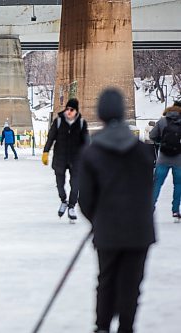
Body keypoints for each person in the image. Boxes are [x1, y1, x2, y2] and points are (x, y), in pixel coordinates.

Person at [79, 88, 156, 333]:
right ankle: (126, 327)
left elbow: (85, 199)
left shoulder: (91, 153)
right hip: (139, 230)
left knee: (106, 280)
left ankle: (102, 327)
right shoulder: (143, 151)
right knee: (132, 284)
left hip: (108, 229)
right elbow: (147, 191)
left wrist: (98, 219)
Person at [42, 98, 89, 221]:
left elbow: (86, 142)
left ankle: (72, 206)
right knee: (59, 184)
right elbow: (51, 138)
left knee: (75, 185)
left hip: (76, 159)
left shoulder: (81, 123)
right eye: (67, 109)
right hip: (60, 158)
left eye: (71, 109)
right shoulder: (58, 122)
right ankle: (63, 200)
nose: (68, 111)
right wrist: (46, 152)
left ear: (76, 111)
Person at [149, 100, 181, 222]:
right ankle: (175, 211)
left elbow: (152, 135)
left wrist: (160, 142)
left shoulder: (162, 121)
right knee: (178, 185)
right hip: (179, 159)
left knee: (157, 184)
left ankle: (150, 209)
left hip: (163, 158)